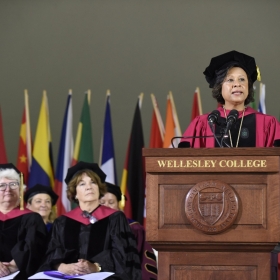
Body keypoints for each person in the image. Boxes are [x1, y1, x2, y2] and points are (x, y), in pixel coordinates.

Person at [39, 161, 141, 280]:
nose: (89, 187)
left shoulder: (116, 218)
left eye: (93, 182)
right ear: (75, 193)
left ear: (99, 188)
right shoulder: (62, 222)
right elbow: (49, 254)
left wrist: (96, 266)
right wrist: (62, 267)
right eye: (82, 184)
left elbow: (124, 256)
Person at [182, 50, 280, 148]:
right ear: (219, 87)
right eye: (230, 80)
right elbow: (184, 160)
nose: (237, 84)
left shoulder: (267, 123)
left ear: (248, 86)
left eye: (242, 79)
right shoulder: (204, 123)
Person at [100, 182, 158, 280]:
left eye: (111, 202)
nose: (107, 206)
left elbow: (145, 262)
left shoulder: (134, 229)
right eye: (102, 203)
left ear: (118, 205)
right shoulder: (88, 229)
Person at [0, 163, 47, 279]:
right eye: (2, 185)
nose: (8, 189)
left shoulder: (32, 219)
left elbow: (35, 246)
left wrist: (13, 266)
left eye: (13, 184)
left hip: (22, 275)